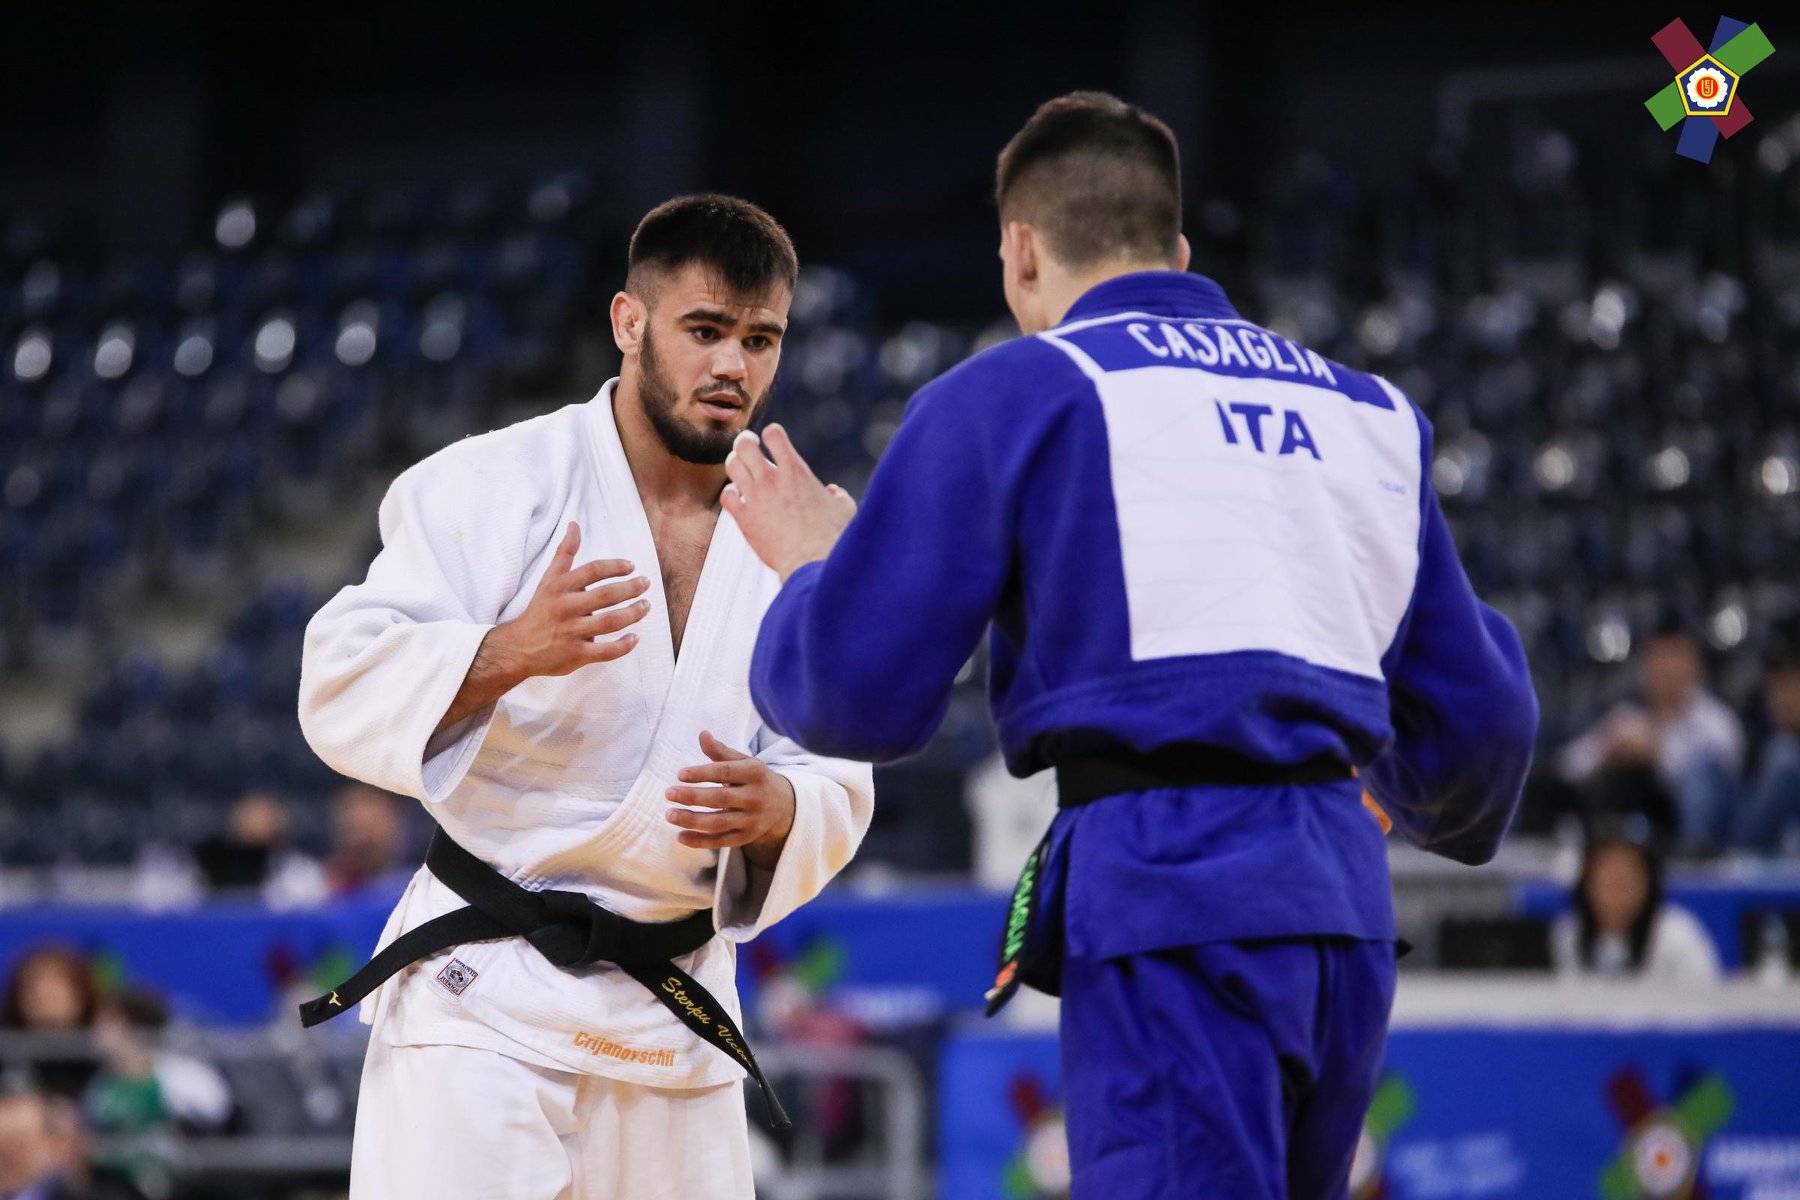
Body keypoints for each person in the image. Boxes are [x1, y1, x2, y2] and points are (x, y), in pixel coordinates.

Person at [724, 93, 1537, 1200]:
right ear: (1180, 248)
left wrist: (817, 570)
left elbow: (861, 695)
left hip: (1171, 892)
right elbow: (1483, 732)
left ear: (1019, 254)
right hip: (1341, 903)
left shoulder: (1020, 393)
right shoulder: (1368, 411)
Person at [297, 194, 873, 1200]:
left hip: (672, 1013)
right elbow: (340, 673)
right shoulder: (494, 484)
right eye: (705, 331)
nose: (733, 366)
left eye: (760, 338)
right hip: (484, 1000)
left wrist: (786, 810)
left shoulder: (803, 525)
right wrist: (505, 653)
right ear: (629, 322)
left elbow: (841, 756)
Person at [1560, 626, 1743, 853]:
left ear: (1694, 665)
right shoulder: (1629, 716)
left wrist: (1657, 753)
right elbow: (1567, 765)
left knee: (1700, 771)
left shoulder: (1715, 719)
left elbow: (1722, 776)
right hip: (1651, 830)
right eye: (1657, 658)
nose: (1665, 668)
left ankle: (1694, 858)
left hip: (1712, 834)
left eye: (1673, 657)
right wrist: (1606, 753)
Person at [1551, 837, 1722, 982]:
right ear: (1587, 885)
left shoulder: (1678, 936)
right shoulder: (1567, 935)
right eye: (1607, 884)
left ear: (1648, 885)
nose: (1615, 896)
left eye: (1626, 884)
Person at [0, 948, 103, 1102]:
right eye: (34, 989)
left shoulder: (103, 1058)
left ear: (81, 995)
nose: (44, 996)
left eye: (55, 989)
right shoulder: (6, 1055)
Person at [1735, 650, 1800, 854]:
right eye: (1776, 687)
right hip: (1758, 845)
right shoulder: (1754, 734)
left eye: (1791, 686)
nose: (1783, 698)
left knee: (1784, 756)